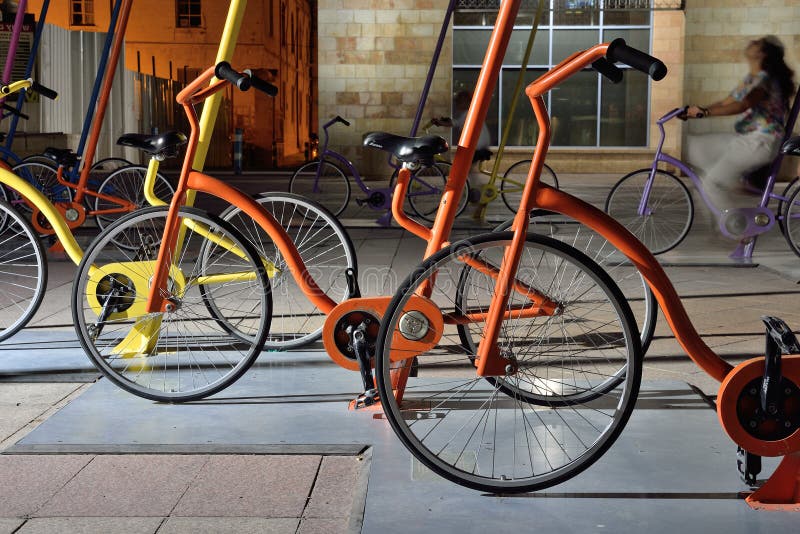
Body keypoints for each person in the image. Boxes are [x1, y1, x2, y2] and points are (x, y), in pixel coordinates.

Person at [683, 36, 795, 219]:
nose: (751, 42)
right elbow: (726, 102)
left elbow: (742, 105)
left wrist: (704, 112)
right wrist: (694, 111)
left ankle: (738, 228)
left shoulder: (763, 80)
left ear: (762, 54)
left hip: (761, 141)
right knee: (696, 147)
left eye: (757, 43)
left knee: (711, 184)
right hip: (751, 139)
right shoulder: (752, 79)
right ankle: (737, 182)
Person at [434, 90, 493, 222]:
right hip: (478, 145)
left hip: (477, 146)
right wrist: (443, 121)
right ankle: (474, 194)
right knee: (468, 172)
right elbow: (455, 121)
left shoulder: (468, 113)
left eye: (459, 102)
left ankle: (476, 194)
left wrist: (441, 123)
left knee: (465, 172)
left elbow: (454, 123)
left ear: (465, 102)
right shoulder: (468, 113)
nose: (457, 104)